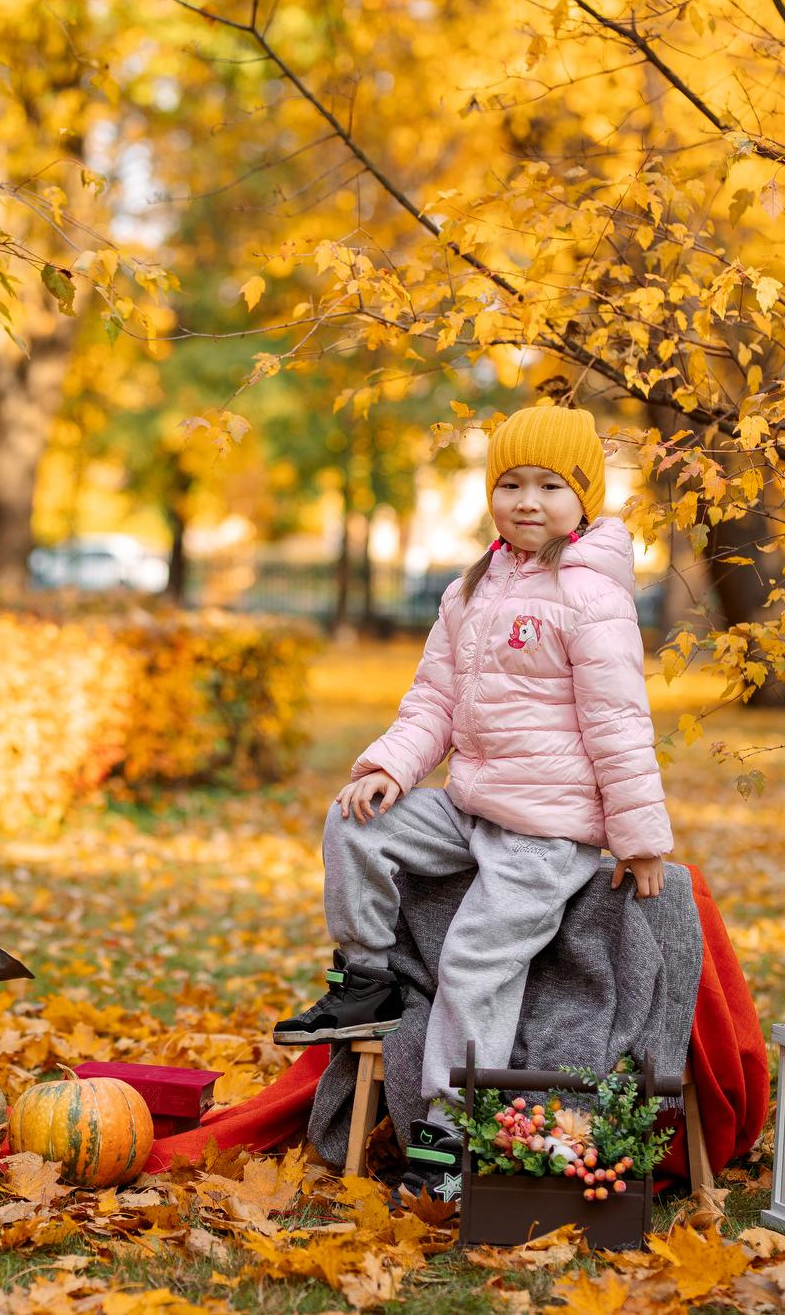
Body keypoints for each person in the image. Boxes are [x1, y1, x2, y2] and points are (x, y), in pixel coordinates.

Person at [271, 404, 673, 1193]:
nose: (528, 500)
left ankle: (449, 1136)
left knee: (473, 962)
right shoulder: (473, 588)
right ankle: (365, 977)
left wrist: (640, 837)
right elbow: (433, 701)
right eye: (511, 483)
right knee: (358, 819)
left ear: (584, 497)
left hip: (544, 834)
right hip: (471, 806)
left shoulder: (592, 595)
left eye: (550, 485)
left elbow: (620, 722)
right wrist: (390, 764)